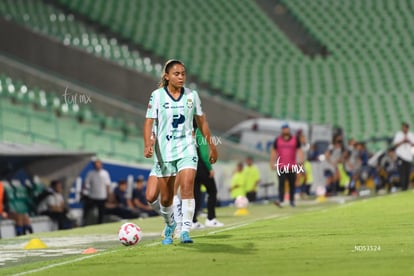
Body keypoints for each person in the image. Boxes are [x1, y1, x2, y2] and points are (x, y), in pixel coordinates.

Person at [144, 59, 218, 245]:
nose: (181, 77)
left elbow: (202, 122)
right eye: (176, 74)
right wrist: (148, 144)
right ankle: (170, 224)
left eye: (183, 74)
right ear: (167, 76)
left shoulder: (192, 96)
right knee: (166, 197)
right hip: (165, 152)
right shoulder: (157, 96)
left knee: (187, 186)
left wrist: (212, 146)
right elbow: (148, 122)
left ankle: (185, 230)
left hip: (186, 148)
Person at [192, 120, 224, 229]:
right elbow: (204, 152)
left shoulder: (191, 132)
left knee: (196, 194)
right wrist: (210, 168)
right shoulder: (200, 132)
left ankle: (193, 221)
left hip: (192, 166)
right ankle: (211, 219)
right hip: (202, 166)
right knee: (212, 191)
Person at [270, 124, 304, 207]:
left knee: (292, 184)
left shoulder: (295, 140)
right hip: (281, 166)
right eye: (284, 129)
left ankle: (291, 201)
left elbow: (299, 151)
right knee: (281, 183)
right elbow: (274, 151)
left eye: (287, 129)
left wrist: (301, 162)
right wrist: (272, 162)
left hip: (291, 166)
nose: (285, 131)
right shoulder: (277, 140)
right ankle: (281, 200)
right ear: (282, 130)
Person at [82, 159, 111, 225]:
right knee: (87, 211)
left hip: (102, 197)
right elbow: (86, 183)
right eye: (96, 164)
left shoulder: (105, 173)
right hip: (92, 196)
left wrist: (108, 195)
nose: (97, 165)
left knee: (101, 213)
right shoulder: (91, 173)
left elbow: (107, 185)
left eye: (98, 164)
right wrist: (83, 192)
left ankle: (100, 224)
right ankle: (84, 223)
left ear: (101, 165)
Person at [393, 122, 414, 191]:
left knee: (408, 172)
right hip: (400, 156)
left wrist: (409, 141)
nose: (404, 128)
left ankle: (406, 187)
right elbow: (395, 145)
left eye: (405, 127)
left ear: (407, 128)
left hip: (409, 157)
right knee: (402, 172)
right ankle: (403, 188)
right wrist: (403, 141)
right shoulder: (399, 135)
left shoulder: (411, 135)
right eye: (403, 127)